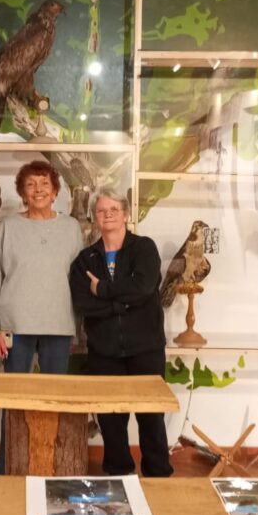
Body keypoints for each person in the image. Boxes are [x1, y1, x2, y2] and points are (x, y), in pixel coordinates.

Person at [0, 160, 83, 473]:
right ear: (22, 193)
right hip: (16, 327)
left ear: (55, 191)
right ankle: (8, 465)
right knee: (14, 403)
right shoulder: (9, 228)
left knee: (57, 403)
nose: (38, 190)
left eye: (44, 184)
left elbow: (77, 281)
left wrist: (75, 331)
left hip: (58, 326)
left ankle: (54, 466)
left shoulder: (71, 228)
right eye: (31, 185)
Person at [68, 189, 173, 478]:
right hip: (105, 352)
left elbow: (143, 288)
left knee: (151, 417)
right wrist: (122, 304)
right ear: (94, 217)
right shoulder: (85, 259)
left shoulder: (144, 248)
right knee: (111, 420)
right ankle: (119, 476)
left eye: (114, 209)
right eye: (102, 210)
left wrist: (102, 290)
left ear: (126, 214)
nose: (108, 215)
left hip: (146, 349)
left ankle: (159, 475)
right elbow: (83, 303)